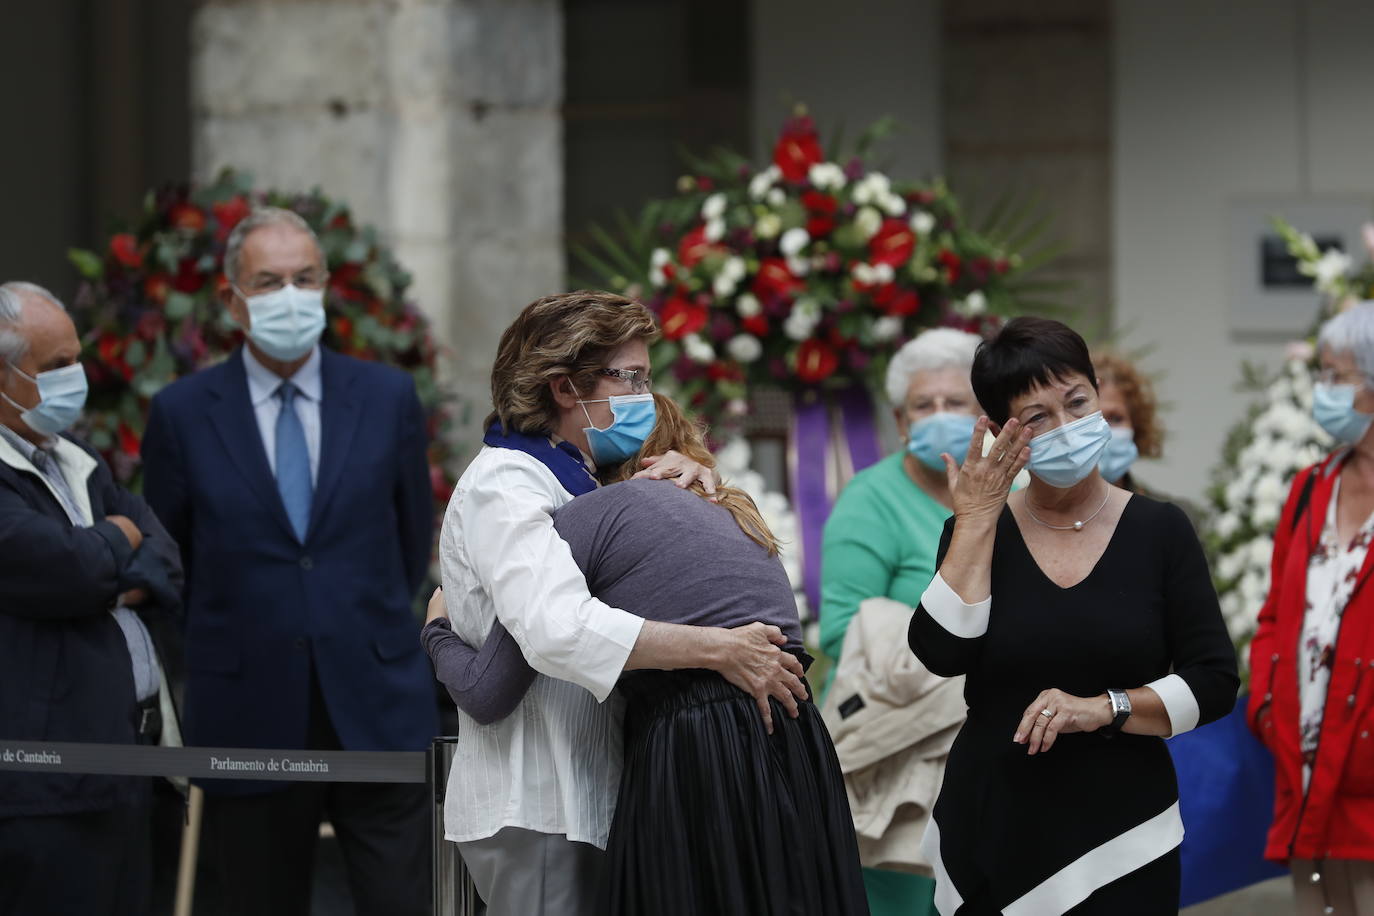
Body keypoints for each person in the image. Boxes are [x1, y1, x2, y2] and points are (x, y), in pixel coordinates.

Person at [433, 290, 810, 915]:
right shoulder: (507, 480)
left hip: (594, 790)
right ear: (563, 388)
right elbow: (555, 630)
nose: (643, 395)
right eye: (628, 378)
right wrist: (720, 648)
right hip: (540, 795)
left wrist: (691, 478)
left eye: (646, 377)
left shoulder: (580, 478)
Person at [140, 208, 437, 916]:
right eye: (268, 282)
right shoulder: (182, 413)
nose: (291, 296)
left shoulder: (387, 397)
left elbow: (408, 544)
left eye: (305, 279)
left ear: (328, 286)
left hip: (376, 702)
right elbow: (169, 556)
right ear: (230, 299)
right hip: (247, 707)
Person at [909, 316, 1238, 914]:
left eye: (1077, 402)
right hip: (992, 824)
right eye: (1036, 417)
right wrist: (978, 521)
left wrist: (1103, 708)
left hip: (1124, 836)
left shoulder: (1161, 531)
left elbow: (1213, 681)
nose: (1065, 426)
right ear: (1001, 432)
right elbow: (941, 652)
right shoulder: (979, 529)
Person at [0, 281, 183, 916]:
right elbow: (66, 570)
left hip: (129, 766)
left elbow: (163, 555)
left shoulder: (77, 460)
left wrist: (109, 559)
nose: (73, 377)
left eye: (76, 358)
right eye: (55, 367)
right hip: (46, 788)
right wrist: (110, 552)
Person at [817, 327, 982, 916]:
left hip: (1000, 744)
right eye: (924, 405)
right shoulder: (870, 499)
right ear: (901, 421)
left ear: (984, 411)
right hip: (904, 748)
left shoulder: (1018, 490)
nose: (939, 415)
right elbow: (842, 631)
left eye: (955, 402)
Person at [1249, 301, 1374, 915]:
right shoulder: (1309, 488)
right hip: (1303, 765)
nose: (1322, 391)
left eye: (1335, 376)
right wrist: (1268, 708)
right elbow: (1274, 616)